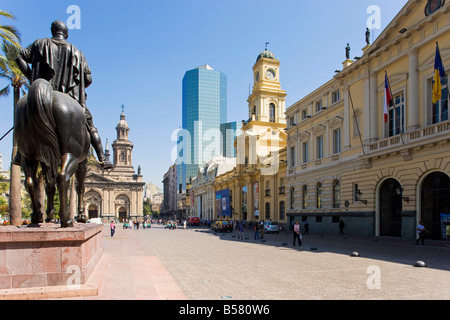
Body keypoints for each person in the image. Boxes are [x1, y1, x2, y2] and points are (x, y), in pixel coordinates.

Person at [14, 20, 112, 169]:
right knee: (91, 127)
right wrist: (76, 87)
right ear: (66, 34)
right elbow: (88, 79)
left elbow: (19, 58)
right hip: (70, 96)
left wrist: (33, 80)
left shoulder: (39, 43)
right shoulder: (77, 52)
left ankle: (20, 153)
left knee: (24, 119)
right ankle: (103, 158)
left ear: (52, 31)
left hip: (39, 95)